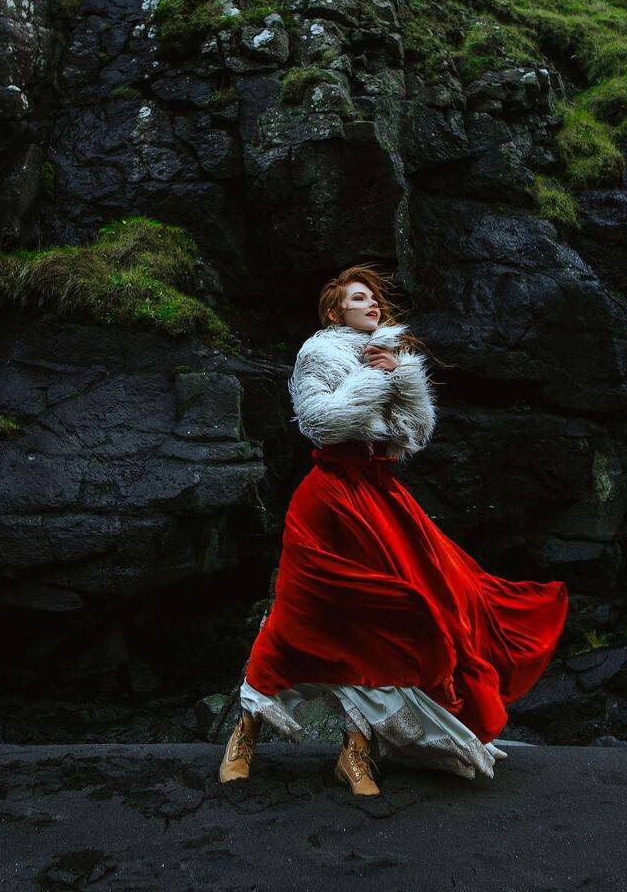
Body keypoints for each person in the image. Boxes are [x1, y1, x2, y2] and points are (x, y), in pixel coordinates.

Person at [218, 264, 569, 794]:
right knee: (297, 617)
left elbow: (414, 434)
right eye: (360, 299)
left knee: (397, 615)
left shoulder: (390, 356)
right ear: (335, 311)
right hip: (331, 498)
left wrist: (400, 374)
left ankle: (355, 754)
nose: (373, 305)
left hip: (381, 497)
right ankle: (242, 737)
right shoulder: (319, 353)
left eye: (375, 298)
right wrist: (374, 376)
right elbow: (321, 423)